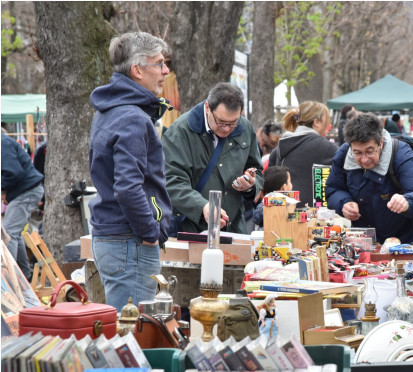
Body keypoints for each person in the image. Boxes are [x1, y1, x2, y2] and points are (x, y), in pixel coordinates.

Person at [88, 32, 173, 311]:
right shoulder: (132, 118)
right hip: (129, 240)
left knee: (127, 331)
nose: (165, 71)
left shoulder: (110, 110)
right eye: (159, 63)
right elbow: (127, 187)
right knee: (133, 336)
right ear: (137, 70)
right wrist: (150, 233)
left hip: (115, 238)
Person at [162, 83, 264, 235]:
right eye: (221, 122)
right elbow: (172, 181)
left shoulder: (245, 128)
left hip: (234, 227)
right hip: (191, 228)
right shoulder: (180, 132)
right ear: (208, 108)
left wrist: (250, 185)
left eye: (233, 123)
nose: (227, 129)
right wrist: (203, 206)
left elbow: (257, 170)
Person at [325, 112, 413, 244]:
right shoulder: (343, 155)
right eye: (358, 153)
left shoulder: (401, 154)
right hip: (366, 240)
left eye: (370, 151)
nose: (364, 159)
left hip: (407, 240)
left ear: (381, 142)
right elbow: (333, 188)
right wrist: (344, 203)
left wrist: (407, 201)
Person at [268, 101, 337, 207]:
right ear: (316, 122)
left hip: (280, 214)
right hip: (314, 217)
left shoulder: (279, 149)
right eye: (326, 120)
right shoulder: (328, 149)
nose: (327, 124)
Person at [1, 133, 44, 280]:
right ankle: (24, 276)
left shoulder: (3, 143)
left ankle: (9, 281)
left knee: (7, 235)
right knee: (14, 234)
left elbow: (14, 173)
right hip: (26, 190)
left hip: (27, 191)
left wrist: (3, 189)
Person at [253, 165, 293, 229]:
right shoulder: (287, 204)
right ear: (284, 187)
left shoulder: (263, 204)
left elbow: (257, 218)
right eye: (290, 182)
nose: (291, 184)